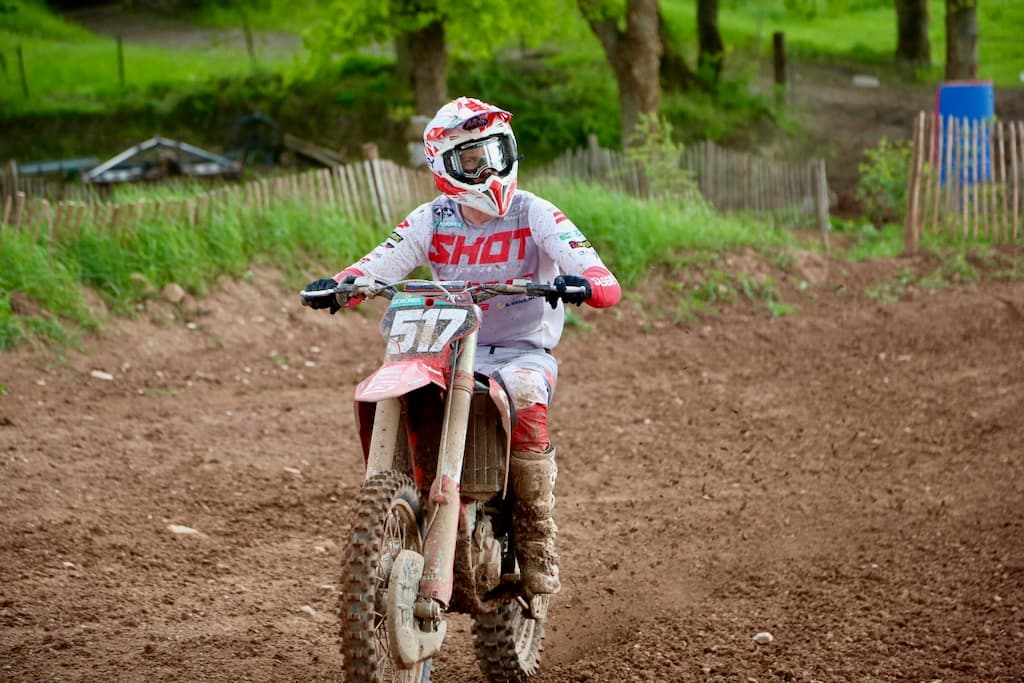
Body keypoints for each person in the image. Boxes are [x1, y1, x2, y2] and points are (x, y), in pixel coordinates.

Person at [302, 96, 621, 596]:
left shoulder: (534, 212)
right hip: (444, 346)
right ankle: (395, 502)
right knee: (400, 388)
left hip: (519, 352)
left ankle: (537, 533)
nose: (488, 168)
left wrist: (589, 282)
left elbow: (588, 262)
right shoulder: (433, 218)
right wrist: (342, 284)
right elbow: (382, 261)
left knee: (523, 390)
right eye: (473, 159)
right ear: (445, 166)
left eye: (495, 153)